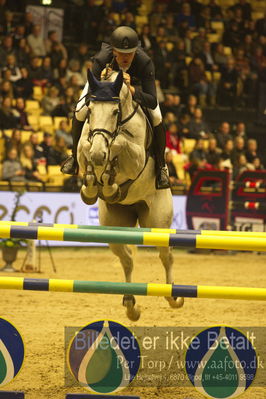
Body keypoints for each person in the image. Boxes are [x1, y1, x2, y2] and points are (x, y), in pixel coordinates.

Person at [61, 26, 170, 189]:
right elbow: (93, 93)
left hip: (136, 89)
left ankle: (161, 167)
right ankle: (74, 159)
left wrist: (133, 90)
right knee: (80, 110)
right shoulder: (101, 59)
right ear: (113, 51)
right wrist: (104, 82)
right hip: (105, 90)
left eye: (130, 53)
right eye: (122, 53)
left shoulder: (145, 62)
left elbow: (152, 100)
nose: (126, 57)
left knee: (157, 118)